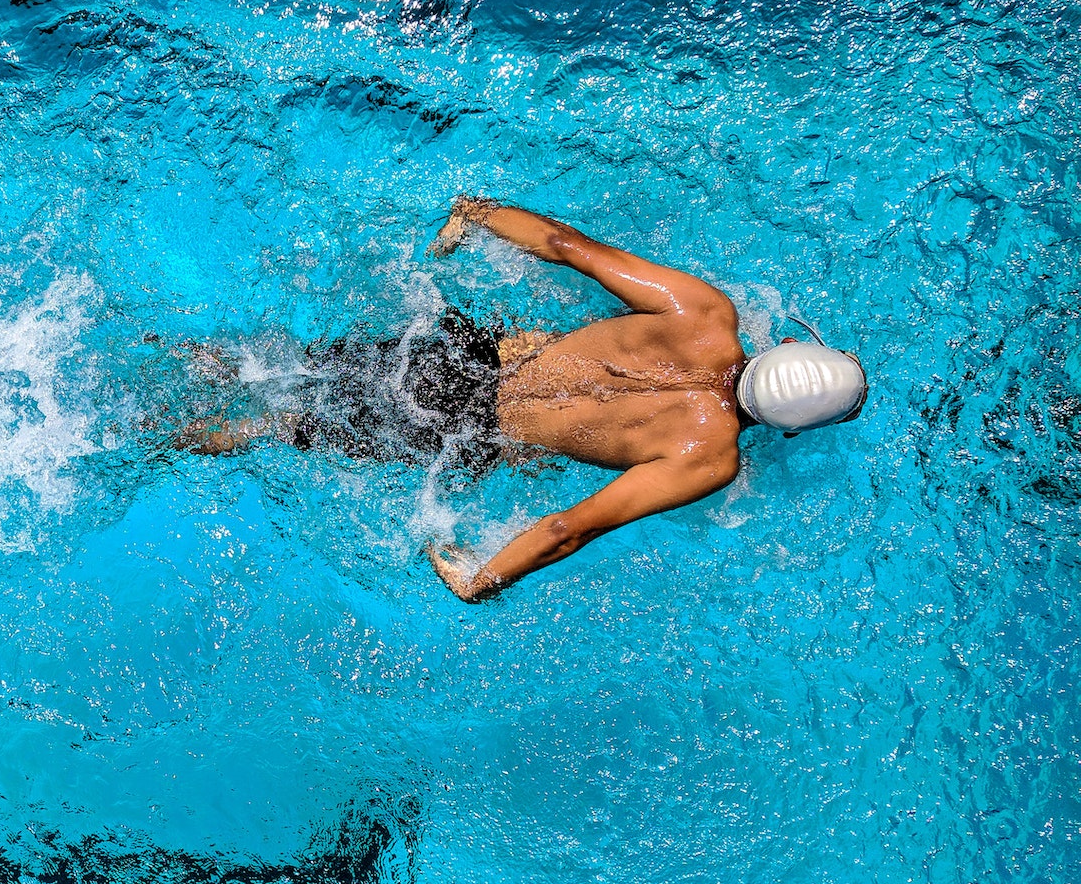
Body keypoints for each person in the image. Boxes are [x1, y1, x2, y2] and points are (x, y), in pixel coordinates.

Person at [175, 195, 868, 601]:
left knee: (279, 366)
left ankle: (178, 354)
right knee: (283, 427)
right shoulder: (709, 457)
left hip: (459, 354)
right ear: (792, 428)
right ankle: (160, 438)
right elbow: (572, 526)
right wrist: (484, 579)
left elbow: (567, 245)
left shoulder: (705, 314)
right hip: (468, 431)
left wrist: (476, 214)